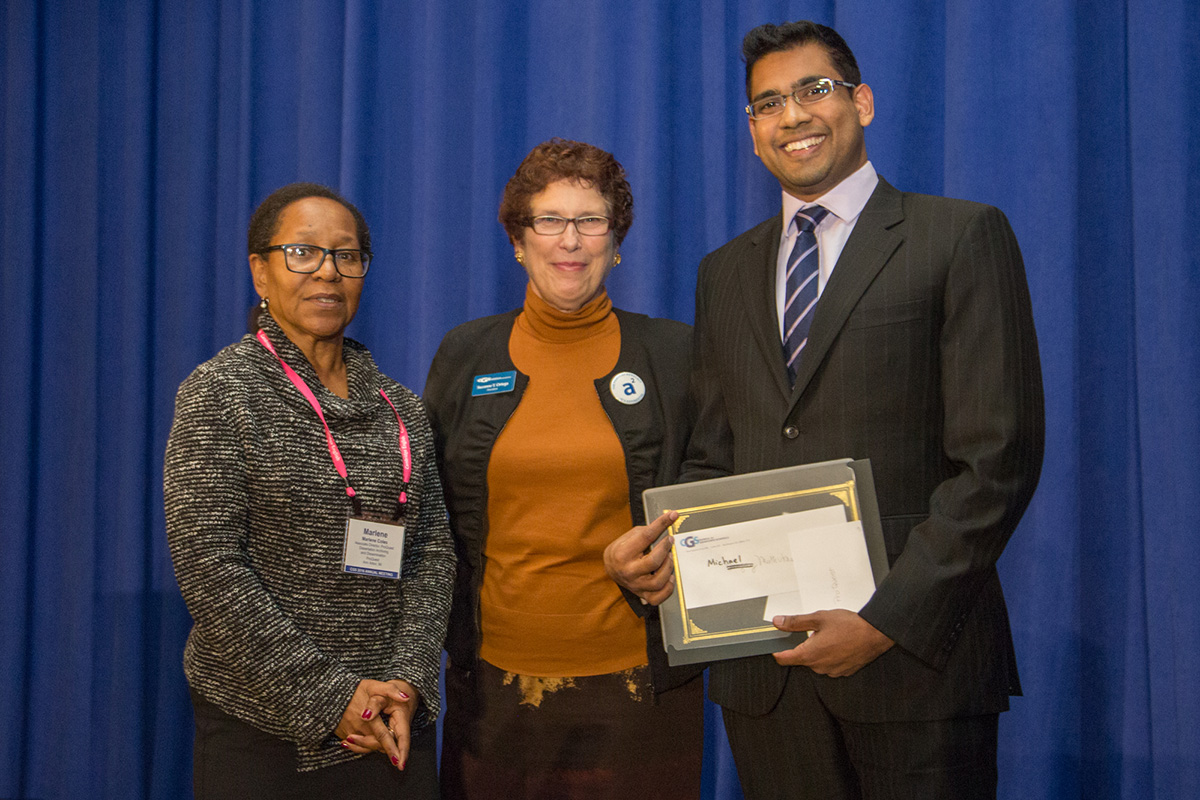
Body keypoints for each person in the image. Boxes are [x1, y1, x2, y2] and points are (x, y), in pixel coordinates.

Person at [610, 20, 1044, 800]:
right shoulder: (724, 274)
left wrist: (886, 618)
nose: (793, 116)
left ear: (863, 101)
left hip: (916, 667)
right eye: (767, 103)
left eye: (815, 90)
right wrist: (665, 559)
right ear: (752, 132)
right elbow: (715, 457)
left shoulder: (959, 236)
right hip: (765, 677)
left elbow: (998, 461)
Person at [423, 139, 703, 799]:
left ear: (617, 240)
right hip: (493, 694)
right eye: (548, 220)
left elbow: (715, 492)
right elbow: (428, 514)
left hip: (640, 694)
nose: (569, 240)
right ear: (519, 241)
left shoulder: (675, 354)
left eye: (590, 220)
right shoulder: (465, 353)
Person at [165, 182, 454, 798]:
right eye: (302, 252)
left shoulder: (400, 407)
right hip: (262, 733)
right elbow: (209, 567)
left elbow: (431, 554)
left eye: (346, 256)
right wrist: (331, 696)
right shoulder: (219, 393)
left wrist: (404, 684)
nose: (327, 271)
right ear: (260, 273)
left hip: (391, 727)